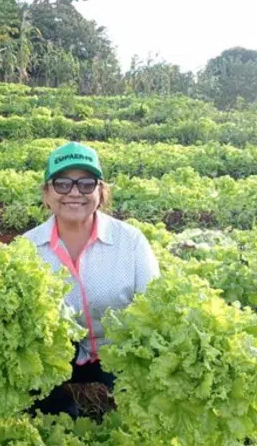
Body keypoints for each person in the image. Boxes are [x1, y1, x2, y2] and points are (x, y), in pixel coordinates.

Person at [23, 141, 160, 416]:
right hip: (57, 357)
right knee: (28, 378)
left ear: (101, 192)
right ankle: (61, 411)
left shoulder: (130, 241)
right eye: (62, 184)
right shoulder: (26, 248)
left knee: (145, 404)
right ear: (47, 194)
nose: (74, 193)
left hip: (119, 354)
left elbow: (156, 306)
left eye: (86, 184)